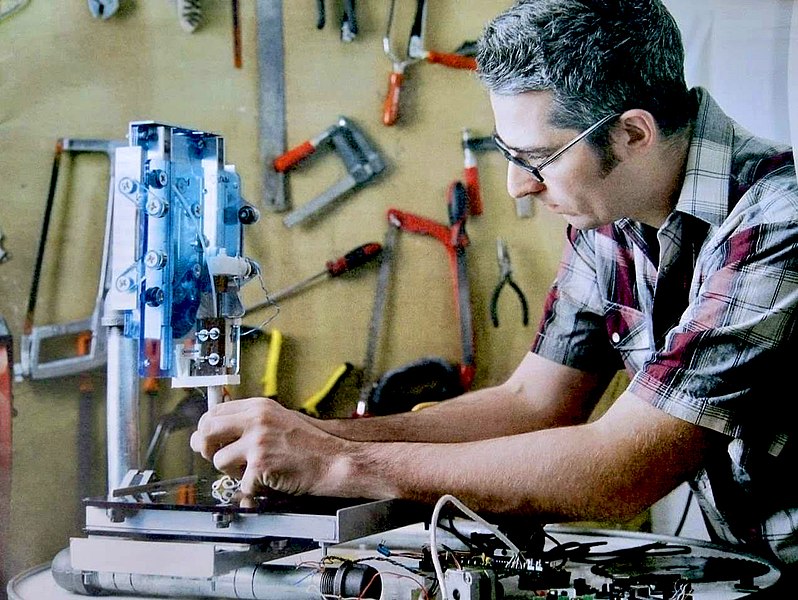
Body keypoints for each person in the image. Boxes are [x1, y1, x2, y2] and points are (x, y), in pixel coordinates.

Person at [191, 0, 798, 573]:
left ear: (633, 134)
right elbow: (532, 405)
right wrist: (314, 435)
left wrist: (341, 464)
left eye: (537, 158)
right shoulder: (611, 212)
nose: (516, 186)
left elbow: (622, 470)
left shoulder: (780, 220)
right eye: (506, 154)